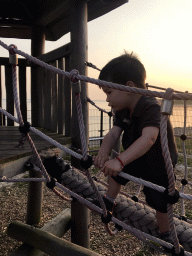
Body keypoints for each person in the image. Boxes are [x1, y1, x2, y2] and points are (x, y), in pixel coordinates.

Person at [92, 52, 178, 246]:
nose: (107, 100)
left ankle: (165, 233)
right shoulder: (122, 109)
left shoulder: (151, 106)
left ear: (128, 87)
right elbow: (113, 134)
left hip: (159, 164)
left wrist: (120, 160)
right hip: (136, 157)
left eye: (109, 93)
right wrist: (104, 153)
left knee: (159, 199)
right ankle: (109, 200)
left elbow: (149, 138)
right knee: (115, 172)